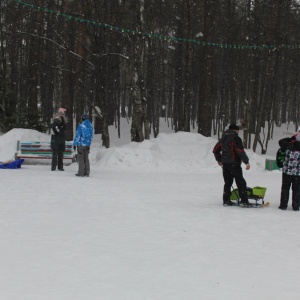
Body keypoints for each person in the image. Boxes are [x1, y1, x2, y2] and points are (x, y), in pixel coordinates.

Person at [213, 124, 251, 207]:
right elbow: (240, 150)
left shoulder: (223, 138)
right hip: (234, 163)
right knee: (241, 182)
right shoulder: (236, 138)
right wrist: (246, 162)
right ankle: (244, 201)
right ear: (235, 130)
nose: (238, 132)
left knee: (228, 183)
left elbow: (215, 150)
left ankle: (226, 200)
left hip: (225, 164)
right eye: (238, 130)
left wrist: (219, 160)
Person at [278, 133, 300, 211]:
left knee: (285, 188)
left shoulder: (288, 145)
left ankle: (283, 205)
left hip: (287, 171)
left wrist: (290, 139)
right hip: (297, 173)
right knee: (296, 189)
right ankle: (296, 206)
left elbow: (280, 141)